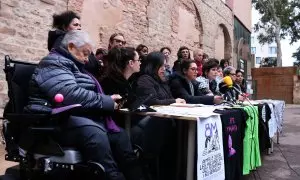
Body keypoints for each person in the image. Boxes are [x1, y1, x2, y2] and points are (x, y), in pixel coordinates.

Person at [25, 30, 141, 180]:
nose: (87, 59)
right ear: (72, 47)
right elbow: (70, 94)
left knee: (119, 136)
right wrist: (105, 101)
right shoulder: (53, 63)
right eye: (85, 53)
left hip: (75, 116)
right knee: (95, 133)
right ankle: (111, 176)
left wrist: (107, 98)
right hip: (52, 118)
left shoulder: (75, 66)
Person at [135, 52, 185, 179]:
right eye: (162, 67)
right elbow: (151, 101)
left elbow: (166, 98)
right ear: (153, 66)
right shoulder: (145, 79)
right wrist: (174, 101)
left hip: (166, 122)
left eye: (165, 67)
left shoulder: (162, 81)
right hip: (152, 125)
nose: (164, 70)